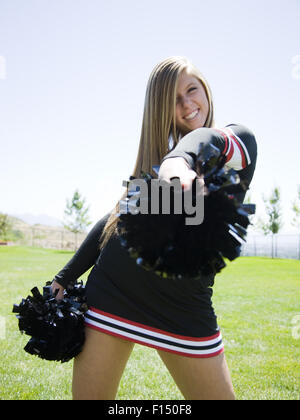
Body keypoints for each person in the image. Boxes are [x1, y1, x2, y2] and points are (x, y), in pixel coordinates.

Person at [51, 56, 257, 400]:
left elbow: (205, 140)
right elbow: (114, 220)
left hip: (186, 307)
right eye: (174, 99)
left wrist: (180, 163)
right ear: (161, 109)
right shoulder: (158, 157)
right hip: (112, 295)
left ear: (206, 90)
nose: (188, 104)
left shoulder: (235, 144)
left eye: (193, 90)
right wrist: (65, 276)